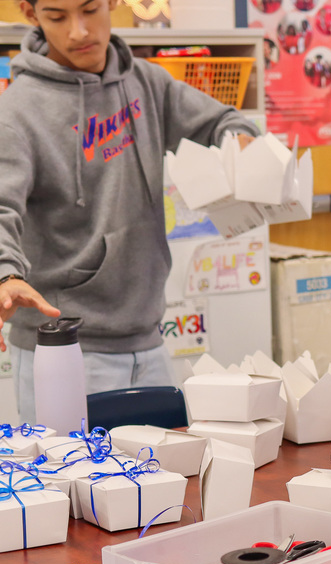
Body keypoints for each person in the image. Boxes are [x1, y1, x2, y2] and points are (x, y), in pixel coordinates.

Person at [0, 0, 259, 422]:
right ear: (30, 14)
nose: (79, 32)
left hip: (150, 341)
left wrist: (240, 143)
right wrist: (6, 274)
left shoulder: (146, 82)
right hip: (66, 352)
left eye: (89, 9)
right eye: (57, 17)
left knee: (167, 481)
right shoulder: (16, 113)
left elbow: (225, 121)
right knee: (75, 485)